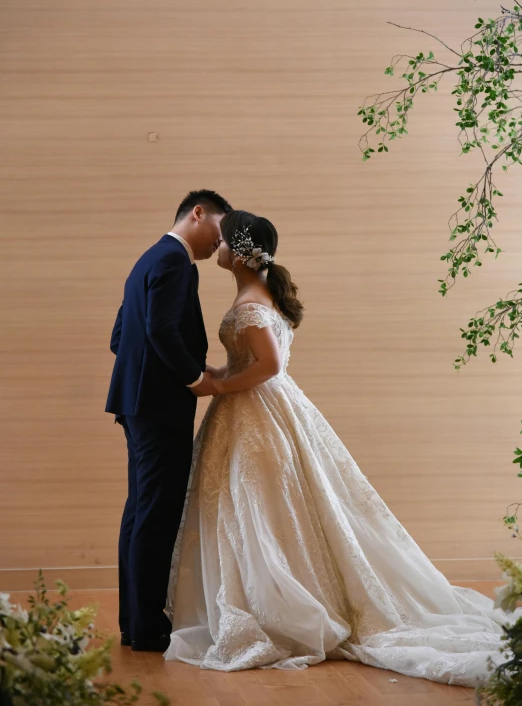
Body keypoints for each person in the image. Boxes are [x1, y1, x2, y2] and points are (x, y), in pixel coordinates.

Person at [164, 208, 522, 686]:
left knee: (256, 508)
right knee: (263, 510)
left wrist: (221, 386)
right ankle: (274, 596)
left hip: (257, 414)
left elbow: (268, 365)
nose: (217, 246)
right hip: (267, 410)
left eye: (224, 241)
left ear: (240, 253)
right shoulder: (261, 294)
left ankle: (278, 608)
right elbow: (257, 362)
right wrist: (223, 375)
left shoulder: (251, 302)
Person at [106, 189, 232, 652]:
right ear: (198, 213)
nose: (220, 243)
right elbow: (159, 329)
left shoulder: (147, 259)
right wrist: (194, 377)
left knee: (140, 511)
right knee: (155, 516)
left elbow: (121, 336)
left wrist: (148, 376)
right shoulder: (176, 261)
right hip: (160, 409)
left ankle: (134, 623)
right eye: (220, 228)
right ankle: (147, 628)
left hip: (136, 403)